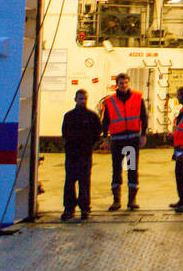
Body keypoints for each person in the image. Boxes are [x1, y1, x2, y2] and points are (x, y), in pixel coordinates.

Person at [100, 72, 147, 211]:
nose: (124, 85)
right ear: (117, 85)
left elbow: (143, 117)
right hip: (117, 141)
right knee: (116, 170)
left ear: (129, 83)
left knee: (132, 169)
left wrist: (143, 134)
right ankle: (116, 201)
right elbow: (106, 121)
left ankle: (132, 200)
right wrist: (105, 138)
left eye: (126, 82)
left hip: (132, 140)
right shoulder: (110, 101)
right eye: (121, 83)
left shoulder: (138, 98)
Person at [61, 89, 101, 221]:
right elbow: (64, 133)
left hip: (85, 154)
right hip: (71, 154)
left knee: (84, 182)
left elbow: (97, 133)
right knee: (69, 182)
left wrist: (89, 145)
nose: (82, 101)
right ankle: (69, 209)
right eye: (80, 99)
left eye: (84, 99)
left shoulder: (92, 116)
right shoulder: (69, 116)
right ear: (75, 99)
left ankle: (85, 208)